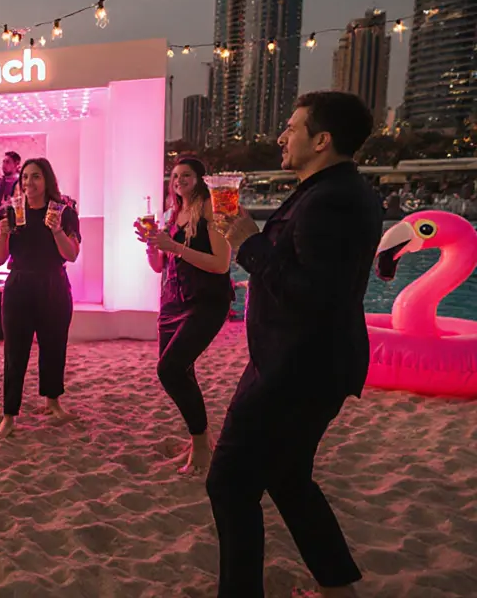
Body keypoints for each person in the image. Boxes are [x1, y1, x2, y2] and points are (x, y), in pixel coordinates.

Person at [210, 92, 381, 598]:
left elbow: (315, 295)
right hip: (305, 365)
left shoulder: (332, 200)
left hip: (294, 372)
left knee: (230, 484)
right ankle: (337, 586)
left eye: (292, 127)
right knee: (288, 479)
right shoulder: (332, 191)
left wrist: (251, 244)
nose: (282, 137)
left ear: (322, 140)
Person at [137, 156, 232, 474]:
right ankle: (199, 441)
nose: (179, 180)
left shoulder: (212, 209)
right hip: (172, 303)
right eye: (175, 176)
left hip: (206, 301)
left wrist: (174, 247)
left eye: (186, 175)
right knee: (182, 371)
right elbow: (160, 267)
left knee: (170, 369)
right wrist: (153, 247)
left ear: (200, 179)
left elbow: (220, 264)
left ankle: (202, 445)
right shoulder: (172, 214)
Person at [0, 158, 81, 439]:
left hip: (54, 283)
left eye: (36, 177)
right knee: (15, 352)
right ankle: (9, 415)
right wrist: (3, 235)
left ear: (48, 180)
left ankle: (52, 402)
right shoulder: (11, 212)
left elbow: (72, 254)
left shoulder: (64, 213)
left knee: (54, 346)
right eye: (25, 177)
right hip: (19, 283)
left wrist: (55, 231)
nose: (29, 183)